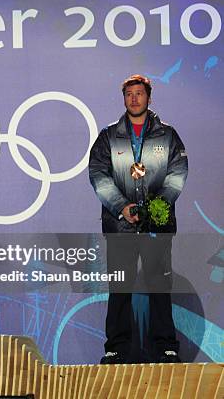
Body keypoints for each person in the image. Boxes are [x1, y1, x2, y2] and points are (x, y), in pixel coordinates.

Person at [89, 75, 188, 364]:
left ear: (149, 97)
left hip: (158, 226)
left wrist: (159, 206)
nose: (134, 98)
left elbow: (178, 172)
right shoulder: (109, 135)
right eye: (129, 94)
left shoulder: (167, 134)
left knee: (159, 286)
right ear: (124, 99)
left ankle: (165, 347)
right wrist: (122, 207)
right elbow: (98, 173)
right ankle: (116, 348)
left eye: (139, 93)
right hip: (120, 225)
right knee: (120, 288)